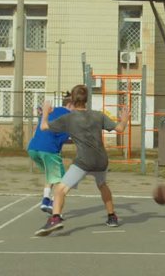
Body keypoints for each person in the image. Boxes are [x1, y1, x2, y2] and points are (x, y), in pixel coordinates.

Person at [35, 84, 129, 236]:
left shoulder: (68, 118)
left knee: (60, 190)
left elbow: (44, 127)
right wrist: (124, 119)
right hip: (101, 160)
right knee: (102, 185)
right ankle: (112, 217)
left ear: (72, 99)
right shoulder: (98, 115)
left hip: (84, 161)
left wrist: (45, 113)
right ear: (87, 99)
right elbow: (120, 129)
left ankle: (56, 218)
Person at [27, 93, 72, 214]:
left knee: (51, 173)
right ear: (69, 104)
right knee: (64, 181)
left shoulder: (52, 111)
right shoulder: (69, 115)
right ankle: (54, 205)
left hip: (33, 148)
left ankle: (46, 199)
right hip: (48, 149)